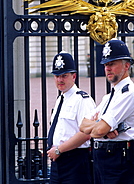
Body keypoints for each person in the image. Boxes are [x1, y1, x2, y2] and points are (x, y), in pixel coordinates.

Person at [80, 39, 134, 184]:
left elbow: (97, 132)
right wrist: (99, 125)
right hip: (103, 157)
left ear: (126, 65)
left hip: (118, 159)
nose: (107, 68)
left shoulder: (130, 94)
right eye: (106, 65)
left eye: (112, 64)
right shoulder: (110, 96)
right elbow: (82, 125)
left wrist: (99, 127)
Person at [47, 51, 96, 184]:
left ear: (74, 76)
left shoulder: (82, 99)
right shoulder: (61, 99)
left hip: (75, 161)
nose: (60, 80)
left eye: (64, 76)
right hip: (57, 161)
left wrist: (58, 149)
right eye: (57, 76)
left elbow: (86, 133)